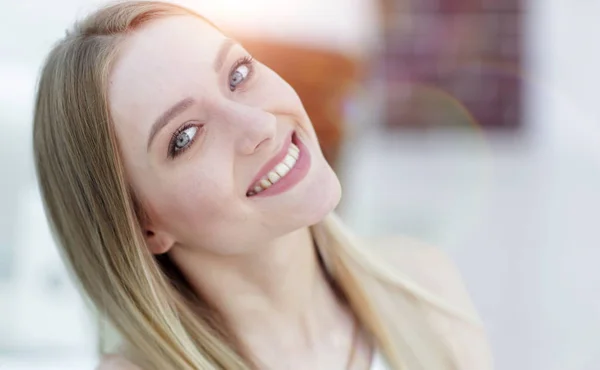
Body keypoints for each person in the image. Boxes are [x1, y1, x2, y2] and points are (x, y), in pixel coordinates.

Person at [32, 1, 492, 369]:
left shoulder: (423, 286)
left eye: (237, 74)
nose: (258, 125)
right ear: (143, 224)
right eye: (186, 137)